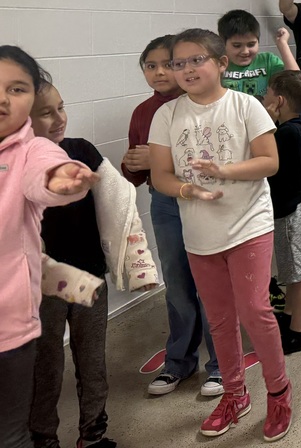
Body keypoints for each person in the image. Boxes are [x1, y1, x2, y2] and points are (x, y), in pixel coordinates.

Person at [148, 29, 292, 441]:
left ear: (221, 64)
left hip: (249, 223)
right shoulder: (168, 115)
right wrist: (187, 189)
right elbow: (160, 175)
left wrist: (223, 172)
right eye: (178, 63)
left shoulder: (245, 106)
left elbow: (269, 162)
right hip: (199, 231)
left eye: (197, 60)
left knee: (254, 311)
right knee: (220, 318)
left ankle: (279, 392)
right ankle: (234, 393)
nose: (186, 69)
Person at [29, 79, 157, 448]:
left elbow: (120, 205)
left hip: (89, 274)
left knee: (91, 357)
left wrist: (139, 265)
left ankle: (93, 431)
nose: (58, 119)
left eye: (61, 108)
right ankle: (43, 437)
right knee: (46, 365)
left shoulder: (80, 150)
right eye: (45, 113)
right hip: (42, 286)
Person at [0, 46, 98, 448]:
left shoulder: (33, 151)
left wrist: (62, 178)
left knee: (12, 429)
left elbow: (46, 172)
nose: (3, 99)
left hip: (18, 316)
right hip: (49, 281)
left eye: (17, 89)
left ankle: (91, 428)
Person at [122, 35, 223, 398]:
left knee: (211, 283)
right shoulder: (143, 112)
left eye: (171, 63)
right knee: (178, 284)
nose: (161, 72)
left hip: (205, 201)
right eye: (151, 66)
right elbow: (135, 168)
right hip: (165, 203)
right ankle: (179, 361)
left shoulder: (201, 104)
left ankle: (222, 364)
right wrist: (133, 165)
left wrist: (160, 161)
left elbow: (215, 157)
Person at [262, 70, 301, 355]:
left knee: (298, 274)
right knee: (292, 273)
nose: (263, 97)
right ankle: (290, 318)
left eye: (267, 93)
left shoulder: (285, 133)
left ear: (279, 101)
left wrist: (268, 123)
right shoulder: (293, 127)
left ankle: (299, 332)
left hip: (289, 212)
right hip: (290, 208)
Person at [217, 9, 298, 98]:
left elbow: (297, 84)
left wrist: (283, 45)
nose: (245, 51)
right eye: (237, 45)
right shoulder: (217, 64)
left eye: (251, 44)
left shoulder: (268, 61)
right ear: (223, 43)